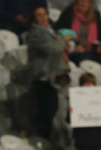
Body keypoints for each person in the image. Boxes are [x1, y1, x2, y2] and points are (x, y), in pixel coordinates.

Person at [25, 6, 67, 140]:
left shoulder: (49, 30)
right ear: (34, 18)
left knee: (52, 109)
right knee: (44, 112)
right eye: (39, 15)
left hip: (51, 77)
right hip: (42, 77)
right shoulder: (36, 33)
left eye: (45, 14)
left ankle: (46, 138)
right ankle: (41, 139)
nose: (43, 18)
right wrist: (63, 39)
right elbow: (52, 49)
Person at [69, 72, 101, 150]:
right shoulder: (75, 99)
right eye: (86, 84)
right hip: (82, 139)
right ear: (81, 85)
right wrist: (70, 112)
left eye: (91, 83)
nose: (88, 86)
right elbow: (69, 120)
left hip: (97, 138)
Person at [53, 0, 101, 65]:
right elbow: (59, 34)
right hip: (75, 51)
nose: (84, 4)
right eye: (82, 1)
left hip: (93, 52)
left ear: (90, 3)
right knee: (86, 60)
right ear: (77, 1)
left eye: (87, 1)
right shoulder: (68, 13)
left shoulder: (96, 15)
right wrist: (73, 48)